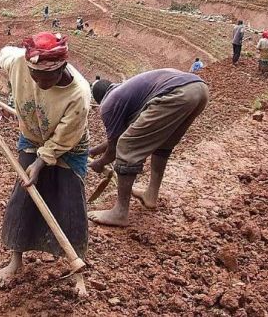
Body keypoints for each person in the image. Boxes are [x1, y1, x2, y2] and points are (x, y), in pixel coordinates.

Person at [0, 32, 91, 296]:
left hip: (68, 146)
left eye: (45, 78)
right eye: (34, 76)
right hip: (32, 136)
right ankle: (16, 260)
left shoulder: (78, 94)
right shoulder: (21, 63)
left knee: (70, 202)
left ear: (61, 69)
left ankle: (75, 270)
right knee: (23, 198)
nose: (37, 81)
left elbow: (62, 140)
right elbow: (2, 58)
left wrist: (39, 164)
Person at [89, 70, 209, 227]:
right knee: (163, 143)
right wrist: (92, 152)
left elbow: (115, 147)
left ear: (98, 100)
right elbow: (119, 135)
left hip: (178, 93)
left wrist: (100, 163)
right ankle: (151, 196)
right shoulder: (125, 93)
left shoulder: (108, 105)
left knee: (127, 145)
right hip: (198, 89)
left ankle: (120, 213)